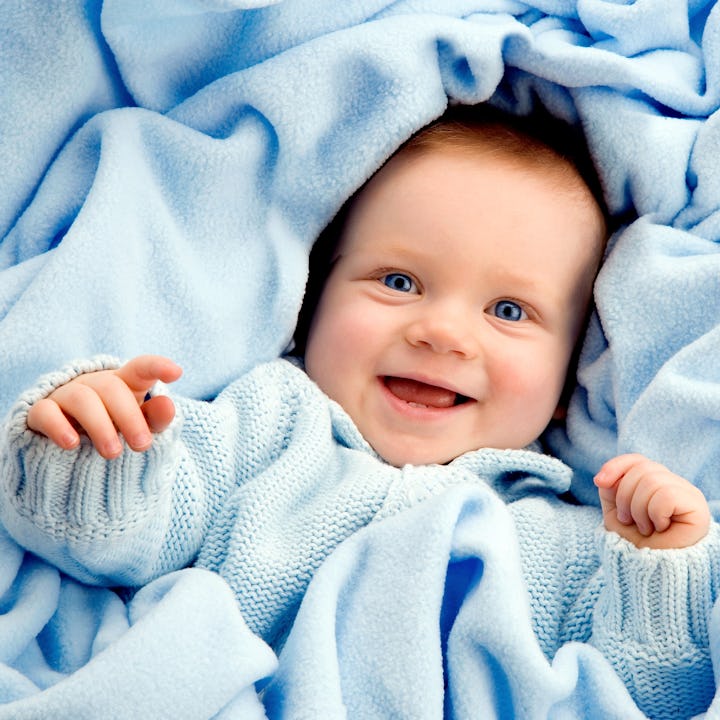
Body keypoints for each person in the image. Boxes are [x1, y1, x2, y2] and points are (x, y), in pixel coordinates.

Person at [0, 106, 716, 717]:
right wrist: (91, 444)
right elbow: (112, 537)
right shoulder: (266, 430)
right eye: (399, 281)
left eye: (508, 310)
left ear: (564, 381)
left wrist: (661, 571)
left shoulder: (569, 540)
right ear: (310, 305)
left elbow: (646, 695)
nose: (442, 332)